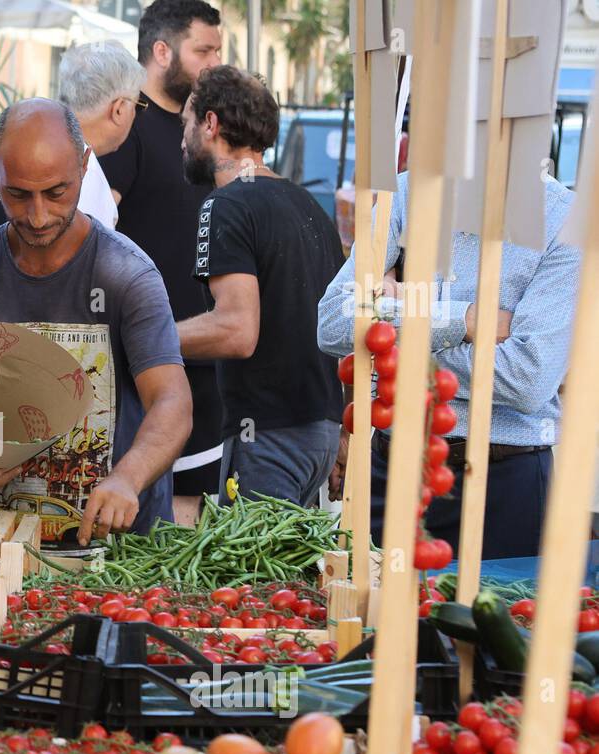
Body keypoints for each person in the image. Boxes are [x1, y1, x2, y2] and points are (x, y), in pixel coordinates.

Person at [0, 99, 193, 549]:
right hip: (1, 554)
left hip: (121, 558)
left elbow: (173, 402)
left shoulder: (127, 275)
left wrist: (126, 479)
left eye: (56, 192)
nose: (37, 216)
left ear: (83, 166)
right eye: (17, 194)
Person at [318, 172, 578, 559]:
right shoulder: (405, 193)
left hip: (503, 482)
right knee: (368, 612)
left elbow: (527, 378)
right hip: (392, 470)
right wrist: (465, 320)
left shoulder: (564, 219)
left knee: (495, 615)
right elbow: (332, 323)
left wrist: (392, 326)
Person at [176, 65, 344, 507]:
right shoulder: (308, 205)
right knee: (292, 578)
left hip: (267, 437)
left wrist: (146, 337)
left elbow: (236, 330)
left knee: (251, 577)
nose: (182, 140)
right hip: (319, 436)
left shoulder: (225, 204)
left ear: (210, 124)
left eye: (187, 124)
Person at [101, 0, 223, 527]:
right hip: (137, 368)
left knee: (189, 515)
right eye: (203, 50)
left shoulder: (202, 131)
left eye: (218, 50)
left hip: (201, 359)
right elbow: (94, 239)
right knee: (133, 515)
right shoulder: (125, 127)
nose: (214, 63)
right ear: (161, 51)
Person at [0, 42, 143, 237]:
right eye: (139, 106)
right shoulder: (80, 172)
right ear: (119, 108)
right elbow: (89, 262)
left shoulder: (6, 148)